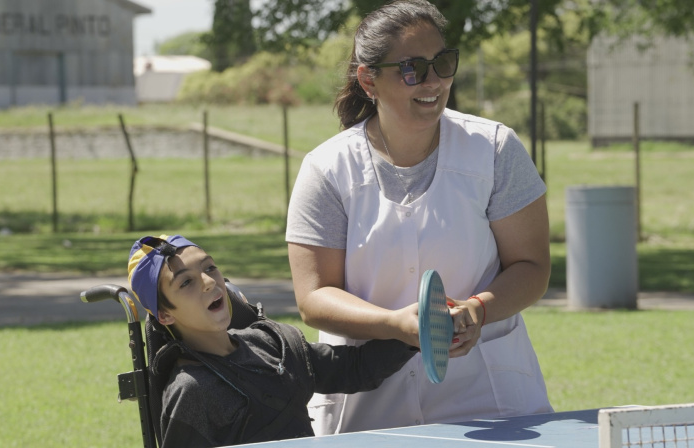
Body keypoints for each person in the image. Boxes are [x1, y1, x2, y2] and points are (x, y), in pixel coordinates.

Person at [286, 0, 553, 435]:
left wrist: (477, 310)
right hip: (368, 407)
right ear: (368, 80)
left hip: (490, 402)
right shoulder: (327, 169)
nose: (433, 81)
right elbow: (313, 296)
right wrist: (393, 325)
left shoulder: (494, 149)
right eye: (412, 68)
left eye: (442, 63)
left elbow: (532, 266)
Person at [127, 234, 418, 448]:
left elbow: (352, 369)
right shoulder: (191, 391)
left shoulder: (271, 344)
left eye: (210, 267)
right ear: (165, 315)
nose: (209, 282)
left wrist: (411, 334)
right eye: (186, 282)